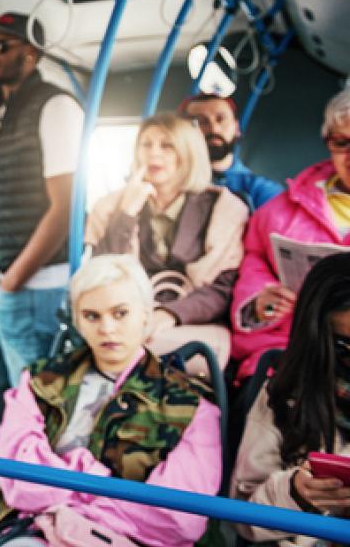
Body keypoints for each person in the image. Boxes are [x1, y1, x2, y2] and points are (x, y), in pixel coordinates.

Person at [0, 255, 221, 547]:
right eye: (92, 316)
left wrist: (75, 498)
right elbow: (18, 481)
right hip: (38, 531)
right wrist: (102, 489)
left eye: (120, 313)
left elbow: (179, 519)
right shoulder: (39, 382)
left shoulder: (191, 405)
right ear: (78, 321)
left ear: (146, 315)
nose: (106, 328)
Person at [0, 12, 83, 387]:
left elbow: (65, 207)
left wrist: (13, 280)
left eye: (1, 45)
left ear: (31, 53)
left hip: (33, 283)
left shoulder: (55, 107)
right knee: (13, 397)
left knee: (37, 403)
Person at [85, 113, 247, 373]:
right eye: (146, 145)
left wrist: (171, 314)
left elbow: (224, 287)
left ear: (188, 153)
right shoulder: (112, 206)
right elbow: (102, 277)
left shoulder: (222, 208)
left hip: (196, 322)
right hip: (126, 321)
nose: (153, 154)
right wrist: (126, 214)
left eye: (167, 145)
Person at [231, 86, 350, 382]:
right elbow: (254, 262)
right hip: (292, 350)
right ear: (327, 144)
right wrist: (260, 302)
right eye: (341, 142)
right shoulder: (279, 211)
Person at [231, 252, 350, 545]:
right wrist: (295, 493)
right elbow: (244, 517)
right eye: (345, 346)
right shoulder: (284, 396)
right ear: (317, 340)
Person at [180, 93, 283, 211]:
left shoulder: (262, 191)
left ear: (237, 128)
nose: (214, 129)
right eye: (201, 121)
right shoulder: (168, 179)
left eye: (221, 119)